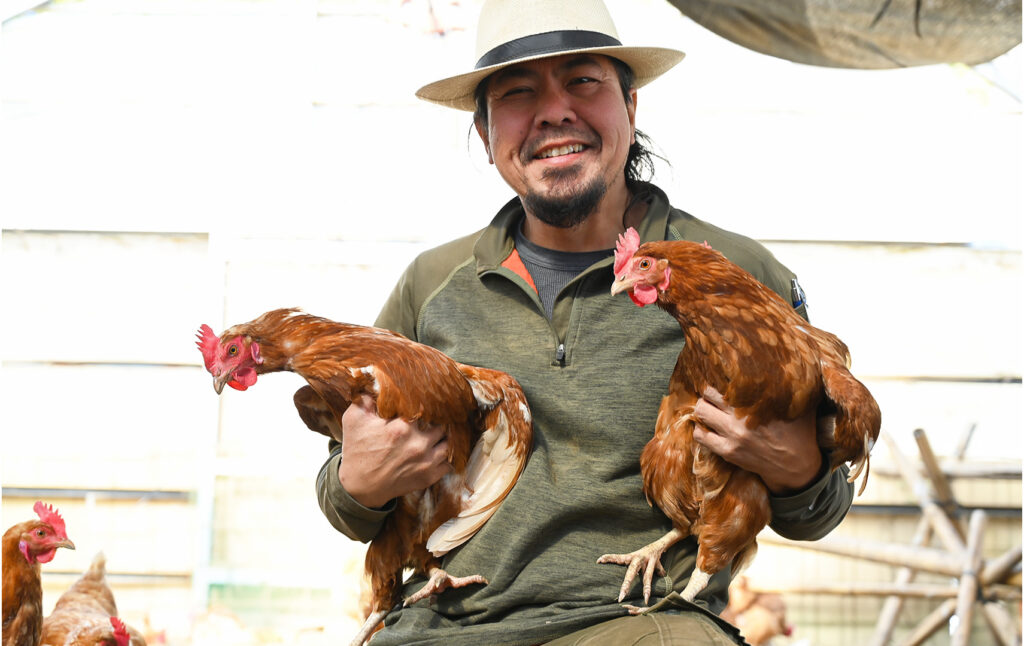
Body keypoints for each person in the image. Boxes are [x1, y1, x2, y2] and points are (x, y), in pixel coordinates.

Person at [317, 0, 854, 643]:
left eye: (583, 81)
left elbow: (820, 510)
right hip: (444, 620)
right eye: (518, 92)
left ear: (630, 108)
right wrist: (358, 483)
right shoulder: (431, 285)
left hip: (641, 622)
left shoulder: (736, 274)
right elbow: (345, 499)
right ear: (487, 136)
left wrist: (798, 471)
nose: (554, 111)